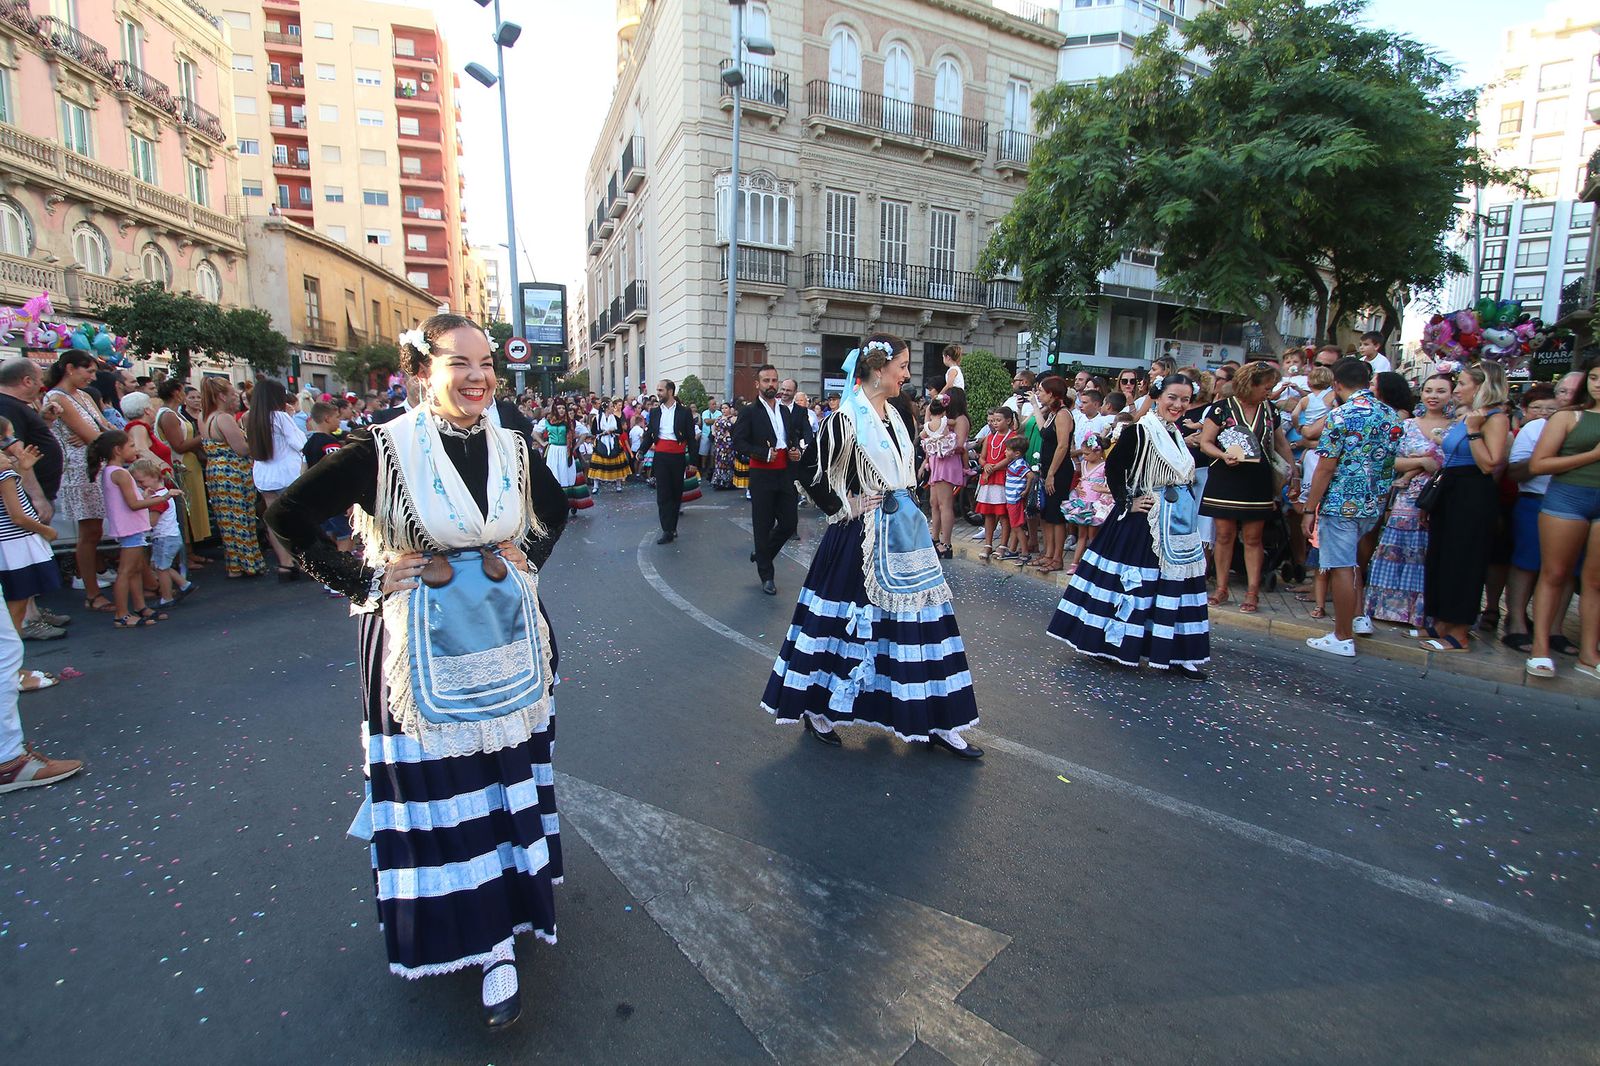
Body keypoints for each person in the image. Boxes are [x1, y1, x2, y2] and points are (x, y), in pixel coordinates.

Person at [264, 313, 570, 1029]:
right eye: (459, 363)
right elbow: (288, 515)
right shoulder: (385, 449)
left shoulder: (514, 447)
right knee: (448, 792)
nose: (477, 378)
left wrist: (529, 556)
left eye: (486, 363)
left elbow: (554, 512)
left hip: (508, 639)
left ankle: (507, 920)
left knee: (506, 782)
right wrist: (363, 581)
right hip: (419, 648)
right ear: (422, 371)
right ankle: (484, 939)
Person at [762, 333, 982, 759]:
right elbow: (809, 470)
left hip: (905, 534)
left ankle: (936, 716)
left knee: (922, 623)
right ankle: (819, 708)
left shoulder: (895, 413)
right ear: (879, 370)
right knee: (844, 623)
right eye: (901, 366)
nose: (906, 374)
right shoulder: (846, 419)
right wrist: (844, 504)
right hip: (859, 537)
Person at [1048, 375, 1210, 679]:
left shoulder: (1174, 432)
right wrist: (1127, 502)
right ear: (1159, 397)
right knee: (1133, 585)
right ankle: (1114, 645)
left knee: (1177, 587)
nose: (1178, 405)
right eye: (1173, 397)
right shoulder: (1140, 429)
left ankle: (1177, 652)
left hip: (1177, 524)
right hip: (1143, 522)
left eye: (1185, 400)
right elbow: (1115, 467)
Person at [1301, 359, 1403, 657]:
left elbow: (1325, 467)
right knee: (1353, 562)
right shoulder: (1390, 415)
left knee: (1341, 566)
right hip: (1373, 503)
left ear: (1337, 384)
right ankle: (1354, 622)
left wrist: (1310, 508)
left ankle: (1342, 635)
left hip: (1342, 503)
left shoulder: (1341, 415)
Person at [1420, 362, 1510, 654]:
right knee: (1443, 557)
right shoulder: (1469, 416)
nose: (1457, 390)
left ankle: (1459, 631)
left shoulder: (1495, 419)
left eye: (1462, 384)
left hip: (1473, 490)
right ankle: (1443, 621)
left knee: (1464, 560)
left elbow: (1489, 463)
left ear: (1481, 386)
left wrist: (1472, 432)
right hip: (1452, 487)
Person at [1197, 360, 1298, 613]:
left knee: (1254, 537)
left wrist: (1293, 469)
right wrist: (1222, 455)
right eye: (1266, 386)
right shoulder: (1221, 409)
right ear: (1250, 384)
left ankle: (1252, 592)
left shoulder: (1269, 410)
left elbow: (1280, 442)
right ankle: (1221, 587)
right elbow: (1206, 442)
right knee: (1224, 535)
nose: (1269, 390)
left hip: (1257, 479)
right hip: (1226, 477)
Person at [1526, 358, 1600, 679]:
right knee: (1555, 573)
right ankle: (1540, 647)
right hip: (1567, 497)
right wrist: (1593, 456)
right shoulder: (1569, 416)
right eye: (1594, 377)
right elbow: (1538, 465)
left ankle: (1589, 652)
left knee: (1595, 581)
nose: (1598, 383)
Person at [1365, 373, 1451, 628]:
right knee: (1398, 546)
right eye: (1429, 390)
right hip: (1408, 497)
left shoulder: (1459, 426)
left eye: (1441, 391)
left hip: (1441, 494)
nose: (1433, 396)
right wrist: (1420, 463)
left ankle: (1424, 611)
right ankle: (1388, 608)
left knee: (1429, 551)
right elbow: (1388, 460)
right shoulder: (1407, 425)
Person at [45, 350, 116, 612]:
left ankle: (101, 583)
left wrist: (99, 434)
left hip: (99, 466)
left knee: (99, 531)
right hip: (80, 472)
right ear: (70, 368)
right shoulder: (56, 398)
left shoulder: (84, 396)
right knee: (89, 532)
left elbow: (104, 429)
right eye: (89, 371)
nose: (92, 377)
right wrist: (96, 434)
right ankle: (92, 592)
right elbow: (94, 435)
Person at [732, 365, 804, 595]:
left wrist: (795, 451)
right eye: (766, 381)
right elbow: (738, 443)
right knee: (762, 526)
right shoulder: (749, 411)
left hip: (785, 473)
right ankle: (767, 576)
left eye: (774, 380)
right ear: (758, 384)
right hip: (762, 474)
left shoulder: (784, 411)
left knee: (789, 523)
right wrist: (762, 453)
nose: (771, 384)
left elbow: (790, 438)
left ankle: (762, 553)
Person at [89, 430, 172, 628]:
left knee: (134, 570)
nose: (134, 449)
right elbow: (133, 504)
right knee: (126, 571)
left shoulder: (111, 472)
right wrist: (162, 498)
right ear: (118, 450)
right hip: (130, 528)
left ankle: (140, 606)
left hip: (129, 526)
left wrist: (145, 495)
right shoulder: (120, 473)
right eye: (131, 446)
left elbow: (129, 501)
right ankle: (121, 614)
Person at [200, 378, 267, 579]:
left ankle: (235, 564)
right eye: (231, 394)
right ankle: (249, 563)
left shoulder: (205, 417)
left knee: (227, 520)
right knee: (241, 518)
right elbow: (242, 449)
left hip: (216, 471)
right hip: (233, 472)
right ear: (221, 396)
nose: (236, 399)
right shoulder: (224, 418)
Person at [246, 379, 307, 581]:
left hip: (264, 474)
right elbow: (300, 443)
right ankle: (304, 562)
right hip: (286, 474)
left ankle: (284, 563)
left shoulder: (251, 419)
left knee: (273, 521)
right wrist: (291, 416)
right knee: (296, 520)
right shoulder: (280, 417)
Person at [0, 358, 62, 525]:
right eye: (40, 380)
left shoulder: (14, 405)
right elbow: (16, 454)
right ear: (27, 381)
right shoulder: (7, 406)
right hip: (27, 500)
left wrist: (44, 420)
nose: (42, 386)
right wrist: (38, 498)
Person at [154, 379, 211, 552]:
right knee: (186, 509)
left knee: (191, 509)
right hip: (182, 462)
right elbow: (178, 445)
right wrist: (203, 436)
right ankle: (187, 552)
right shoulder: (168, 415)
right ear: (176, 393)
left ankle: (191, 551)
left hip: (189, 462)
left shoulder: (173, 413)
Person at [130, 458, 192, 610]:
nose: (139, 485)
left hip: (164, 537)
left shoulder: (157, 499)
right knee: (160, 565)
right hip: (170, 536)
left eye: (141, 481)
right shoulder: (162, 494)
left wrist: (138, 520)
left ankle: (167, 597)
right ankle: (184, 584)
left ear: (154, 476)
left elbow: (153, 521)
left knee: (161, 568)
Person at [642, 379, 695, 543]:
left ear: (670, 391)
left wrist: (693, 461)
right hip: (661, 457)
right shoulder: (655, 412)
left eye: (661, 390)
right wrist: (641, 450)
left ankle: (672, 526)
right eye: (657, 390)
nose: (658, 393)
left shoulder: (684, 412)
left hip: (678, 457)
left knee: (676, 493)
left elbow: (691, 438)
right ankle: (667, 530)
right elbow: (650, 434)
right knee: (663, 494)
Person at [1033, 377, 1075, 574]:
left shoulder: (1063, 414)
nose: (1039, 394)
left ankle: (1057, 557)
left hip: (1058, 470)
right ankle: (1049, 553)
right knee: (1048, 514)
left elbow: (1063, 445)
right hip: (1047, 467)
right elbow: (1043, 430)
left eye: (1042, 391)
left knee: (1057, 516)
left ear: (1052, 393)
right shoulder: (1052, 413)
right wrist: (1035, 405)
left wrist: (1051, 474)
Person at [925, 387, 969, 559]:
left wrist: (939, 442)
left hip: (948, 462)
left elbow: (959, 444)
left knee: (944, 504)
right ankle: (935, 539)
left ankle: (946, 543)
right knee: (934, 502)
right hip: (937, 461)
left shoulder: (960, 419)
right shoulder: (943, 419)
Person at [1062, 431, 1115, 574]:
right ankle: (1075, 562)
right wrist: (1078, 487)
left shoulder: (1104, 467)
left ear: (1098, 452)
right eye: (1083, 454)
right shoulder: (1085, 464)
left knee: (1093, 535)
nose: (1084, 456)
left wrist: (1101, 489)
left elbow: (1112, 486)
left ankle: (1094, 563)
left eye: (1087, 454)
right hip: (1082, 504)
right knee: (1082, 535)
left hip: (1095, 505)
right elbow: (1082, 480)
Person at [973, 407, 1017, 560]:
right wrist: (985, 465)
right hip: (989, 477)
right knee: (989, 513)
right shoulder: (990, 438)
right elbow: (982, 457)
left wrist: (994, 467)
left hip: (1003, 478)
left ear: (1009, 420)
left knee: (1003, 513)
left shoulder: (1013, 436)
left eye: (998, 420)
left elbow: (1010, 457)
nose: (995, 423)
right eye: (993, 421)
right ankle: (988, 543)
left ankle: (1003, 544)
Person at [999, 435, 1034, 563]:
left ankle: (1025, 552)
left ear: (1017, 453)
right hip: (1011, 499)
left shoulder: (1019, 465)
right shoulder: (1015, 463)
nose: (1005, 452)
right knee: (1015, 526)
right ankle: (1013, 550)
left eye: (1008, 450)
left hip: (1015, 500)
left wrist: (1025, 490)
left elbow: (1030, 475)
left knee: (1017, 527)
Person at [589, 400, 631, 492]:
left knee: (617, 464)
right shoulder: (597, 418)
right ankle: (596, 485)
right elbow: (593, 431)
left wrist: (612, 431)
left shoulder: (616, 418)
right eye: (612, 406)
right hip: (601, 441)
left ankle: (618, 484)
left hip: (613, 441)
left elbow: (620, 431)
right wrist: (603, 432)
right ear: (607, 408)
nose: (613, 408)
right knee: (598, 464)